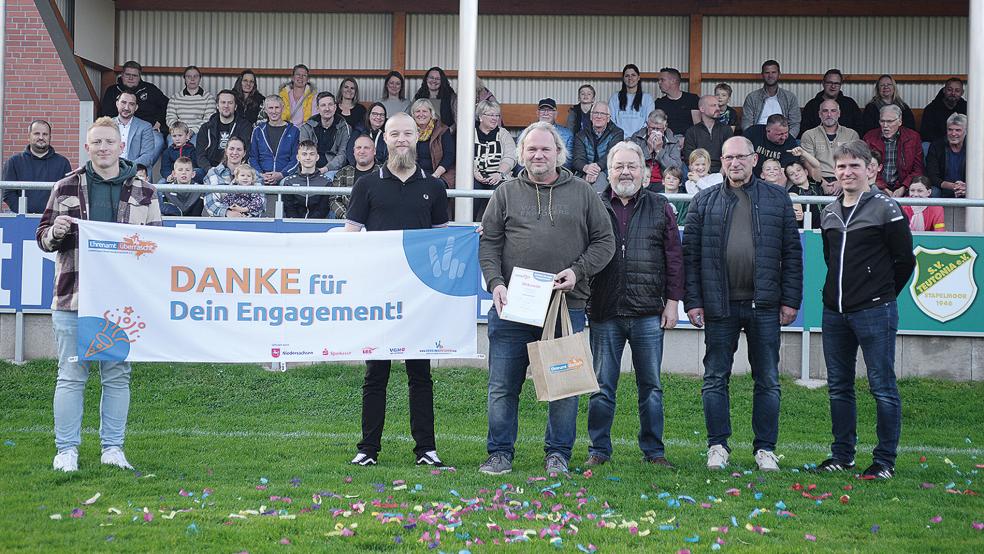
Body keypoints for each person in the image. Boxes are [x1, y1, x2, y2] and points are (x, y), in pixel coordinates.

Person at [478, 121, 615, 475]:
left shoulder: (584, 193)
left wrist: (578, 271)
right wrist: (495, 283)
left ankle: (558, 455)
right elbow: (490, 242)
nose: (538, 155)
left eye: (545, 149)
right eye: (531, 149)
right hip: (513, 307)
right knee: (502, 387)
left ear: (559, 153)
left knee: (563, 386)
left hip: (564, 308)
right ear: (521, 154)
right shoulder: (505, 192)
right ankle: (499, 454)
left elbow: (605, 242)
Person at [37, 116, 163, 473]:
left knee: (116, 375)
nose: (103, 148)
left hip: (121, 304)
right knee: (71, 375)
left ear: (121, 147)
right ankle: (66, 450)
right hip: (73, 297)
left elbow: (157, 246)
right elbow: (43, 238)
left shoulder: (145, 191)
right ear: (87, 147)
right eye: (97, 143)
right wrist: (55, 231)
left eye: (110, 142)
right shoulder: (65, 187)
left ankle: (112, 448)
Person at [683, 136, 803, 472]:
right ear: (721, 161)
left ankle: (765, 449)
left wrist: (790, 300)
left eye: (741, 157)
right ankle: (717, 446)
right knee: (715, 377)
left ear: (754, 160)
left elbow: (792, 254)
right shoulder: (703, 201)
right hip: (719, 306)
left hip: (764, 305)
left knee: (767, 379)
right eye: (728, 157)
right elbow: (690, 256)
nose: (735, 163)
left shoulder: (777, 198)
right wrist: (693, 301)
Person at [343, 112, 450, 467]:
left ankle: (426, 449)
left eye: (407, 133)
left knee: (421, 375)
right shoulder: (367, 185)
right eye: (394, 134)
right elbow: (350, 238)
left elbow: (442, 241)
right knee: (376, 374)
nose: (401, 139)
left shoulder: (434, 188)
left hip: (419, 297)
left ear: (417, 136)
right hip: (380, 296)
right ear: (383, 139)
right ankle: (368, 449)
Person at [816, 140, 915, 480]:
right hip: (835, 312)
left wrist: (881, 295)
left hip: (875, 311)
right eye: (841, 166)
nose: (847, 172)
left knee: (882, 386)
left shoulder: (886, 208)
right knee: (839, 386)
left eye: (854, 166)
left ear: (870, 170)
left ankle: (884, 460)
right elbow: (831, 261)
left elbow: (905, 261)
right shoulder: (827, 212)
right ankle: (842, 455)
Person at [585, 141, 684, 469]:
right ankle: (598, 449)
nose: (625, 171)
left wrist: (672, 303)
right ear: (608, 172)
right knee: (601, 386)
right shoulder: (594, 205)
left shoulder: (660, 206)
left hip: (647, 313)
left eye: (632, 166)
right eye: (619, 166)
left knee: (651, 387)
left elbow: (673, 257)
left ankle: (654, 451)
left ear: (644, 172)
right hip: (604, 311)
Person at [2, 119, 72, 214]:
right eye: (36, 134)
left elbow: (67, 194)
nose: (41, 137)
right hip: (22, 220)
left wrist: (51, 214)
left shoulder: (63, 163)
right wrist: (25, 213)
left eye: (45, 134)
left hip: (52, 221)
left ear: (50, 137)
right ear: (29, 136)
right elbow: (8, 194)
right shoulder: (14, 162)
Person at [100, 60, 169, 156]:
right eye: (128, 74)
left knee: (158, 142)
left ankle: (140, 169)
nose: (131, 78)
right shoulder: (112, 91)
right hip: (119, 129)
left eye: (135, 75)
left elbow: (167, 105)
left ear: (139, 77)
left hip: (147, 129)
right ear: (122, 75)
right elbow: (105, 114)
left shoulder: (150, 89)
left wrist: (160, 121)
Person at [249, 95, 300, 216]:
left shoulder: (294, 131)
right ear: (265, 110)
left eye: (277, 107)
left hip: (285, 177)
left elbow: (296, 159)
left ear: (283, 108)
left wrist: (281, 174)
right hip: (261, 177)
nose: (274, 111)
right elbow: (252, 157)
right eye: (270, 108)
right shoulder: (258, 130)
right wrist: (261, 175)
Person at [863, 104, 924, 197]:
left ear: (900, 121)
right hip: (876, 186)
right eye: (882, 121)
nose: (885, 125)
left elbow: (918, 169)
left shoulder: (913, 138)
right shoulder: (869, 137)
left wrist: (903, 187)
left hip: (906, 187)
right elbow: (866, 168)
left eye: (890, 121)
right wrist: (883, 188)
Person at [473, 99, 517, 220]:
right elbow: (462, 156)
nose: (495, 118)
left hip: (499, 177)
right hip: (474, 176)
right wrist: (474, 172)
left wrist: (499, 174)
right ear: (481, 117)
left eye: (497, 115)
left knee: (499, 194)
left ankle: (493, 231)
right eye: (491, 115)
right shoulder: (470, 133)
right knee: (470, 193)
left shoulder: (503, 134)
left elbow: (511, 156)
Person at [800, 99, 860, 186]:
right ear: (819, 114)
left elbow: (855, 162)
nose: (829, 114)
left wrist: (841, 183)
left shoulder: (851, 134)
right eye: (825, 111)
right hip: (817, 180)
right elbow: (808, 163)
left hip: (845, 179)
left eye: (833, 111)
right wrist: (822, 183)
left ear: (839, 114)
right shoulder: (809, 135)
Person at [203, 136, 262, 217]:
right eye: (231, 149)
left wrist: (245, 215)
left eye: (239, 149)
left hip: (248, 221)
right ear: (226, 151)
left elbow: (261, 201)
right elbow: (211, 202)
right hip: (220, 221)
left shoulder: (255, 174)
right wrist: (228, 213)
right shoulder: (214, 172)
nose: (235, 152)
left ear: (244, 153)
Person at [572, 102, 623, 193]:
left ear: (608, 118)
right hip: (585, 172)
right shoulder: (581, 135)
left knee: (599, 186)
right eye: (596, 113)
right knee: (579, 191)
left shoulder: (617, 133)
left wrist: (596, 168)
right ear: (591, 117)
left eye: (603, 113)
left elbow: (612, 155)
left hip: (607, 171)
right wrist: (587, 168)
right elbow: (577, 160)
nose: (599, 116)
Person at [741, 60, 801, 136]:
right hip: (758, 136)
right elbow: (746, 123)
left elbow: (795, 123)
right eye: (767, 73)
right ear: (762, 75)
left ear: (779, 74)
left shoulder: (789, 97)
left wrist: (787, 139)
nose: (770, 75)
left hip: (782, 137)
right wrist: (754, 138)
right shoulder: (752, 97)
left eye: (773, 72)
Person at [196, 90, 252, 171]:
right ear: (217, 106)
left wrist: (234, 171)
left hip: (235, 170)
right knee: (196, 173)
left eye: (230, 103)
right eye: (223, 102)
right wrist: (210, 170)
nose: (226, 106)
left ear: (235, 107)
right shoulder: (206, 128)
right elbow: (200, 156)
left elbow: (246, 152)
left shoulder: (244, 126)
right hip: (210, 169)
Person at [299, 92, 352, 175]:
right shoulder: (307, 127)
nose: (327, 108)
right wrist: (313, 170)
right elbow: (305, 152)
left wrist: (325, 169)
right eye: (323, 105)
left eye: (330, 105)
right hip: (309, 168)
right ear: (317, 108)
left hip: (333, 170)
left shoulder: (344, 127)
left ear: (335, 107)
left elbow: (343, 155)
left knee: (329, 178)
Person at [799, 69, 862, 137]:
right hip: (817, 144)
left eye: (836, 83)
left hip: (846, 144)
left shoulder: (850, 104)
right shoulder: (811, 105)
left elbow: (859, 128)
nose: (833, 86)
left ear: (841, 85)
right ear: (823, 83)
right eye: (829, 83)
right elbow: (805, 130)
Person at [629, 109, 683, 187]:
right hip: (641, 180)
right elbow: (632, 162)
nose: (655, 131)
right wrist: (648, 150)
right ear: (647, 125)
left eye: (658, 129)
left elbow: (676, 167)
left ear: (665, 127)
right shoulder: (637, 137)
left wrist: (659, 151)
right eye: (652, 128)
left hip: (663, 182)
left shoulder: (673, 141)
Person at [281, 140, 333, 219]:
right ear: (298, 157)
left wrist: (309, 224)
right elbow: (289, 209)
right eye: (304, 154)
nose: (308, 158)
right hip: (294, 225)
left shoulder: (326, 182)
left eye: (312, 154)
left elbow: (323, 209)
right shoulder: (289, 182)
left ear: (317, 157)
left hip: (318, 225)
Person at [334, 134, 382, 218]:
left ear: (374, 151)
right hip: (347, 224)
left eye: (366, 148)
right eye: (358, 148)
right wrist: (348, 217)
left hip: (377, 224)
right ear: (354, 151)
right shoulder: (342, 173)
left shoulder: (383, 173)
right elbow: (334, 200)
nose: (362, 151)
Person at [410, 98, 455, 186]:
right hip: (414, 175)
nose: (421, 114)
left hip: (439, 174)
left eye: (425, 111)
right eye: (417, 111)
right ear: (413, 114)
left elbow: (449, 156)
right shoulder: (408, 131)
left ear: (431, 113)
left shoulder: (442, 130)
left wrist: (435, 176)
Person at [683, 95, 733, 173]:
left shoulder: (726, 129)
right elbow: (689, 159)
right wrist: (702, 177)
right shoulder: (692, 131)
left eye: (718, 105)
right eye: (713, 105)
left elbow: (730, 155)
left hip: (722, 173)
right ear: (702, 109)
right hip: (699, 172)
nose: (717, 108)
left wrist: (719, 176)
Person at [165, 65, 215, 136]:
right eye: (189, 76)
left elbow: (209, 119)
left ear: (200, 78)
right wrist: (180, 131)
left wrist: (193, 131)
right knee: (171, 144)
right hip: (178, 133)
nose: (192, 79)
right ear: (184, 79)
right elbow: (170, 117)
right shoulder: (175, 98)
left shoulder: (208, 98)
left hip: (199, 133)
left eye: (195, 76)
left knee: (195, 145)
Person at [925, 113, 967, 198]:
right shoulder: (937, 146)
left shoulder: (974, 148)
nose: (953, 133)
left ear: (966, 131)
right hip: (943, 187)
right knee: (933, 192)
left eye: (958, 130)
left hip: (967, 187)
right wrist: (953, 186)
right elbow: (932, 176)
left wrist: (967, 188)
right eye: (950, 129)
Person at [113, 91, 156, 171]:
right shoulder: (107, 125)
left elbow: (148, 156)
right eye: (123, 102)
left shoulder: (145, 127)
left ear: (136, 107)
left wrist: (127, 168)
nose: (126, 108)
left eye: (131, 104)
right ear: (117, 104)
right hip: (111, 172)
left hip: (135, 173)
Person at [608, 64, 655, 137]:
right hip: (619, 139)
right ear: (623, 78)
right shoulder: (615, 98)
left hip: (640, 140)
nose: (630, 78)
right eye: (627, 76)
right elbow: (611, 121)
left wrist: (636, 137)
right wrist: (622, 136)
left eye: (633, 75)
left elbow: (649, 122)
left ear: (638, 78)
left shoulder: (647, 98)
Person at [653, 67, 700, 136]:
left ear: (673, 81)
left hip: (689, 141)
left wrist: (688, 140)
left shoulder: (692, 99)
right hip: (667, 142)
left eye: (662, 80)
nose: (659, 82)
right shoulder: (659, 103)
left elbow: (697, 126)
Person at [920, 78, 966, 145]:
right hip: (938, 144)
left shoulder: (967, 108)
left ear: (962, 93)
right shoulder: (931, 109)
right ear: (944, 90)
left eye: (957, 91)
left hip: (961, 144)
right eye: (949, 90)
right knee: (925, 145)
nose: (953, 93)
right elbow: (926, 134)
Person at [344, 102, 388, 167]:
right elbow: (350, 152)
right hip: (360, 168)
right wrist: (358, 167)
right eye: (375, 114)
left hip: (381, 170)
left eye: (382, 115)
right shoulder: (359, 130)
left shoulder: (388, 133)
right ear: (369, 115)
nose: (378, 117)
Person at [784, 160, 823, 228]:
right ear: (789, 179)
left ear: (806, 172)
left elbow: (817, 165)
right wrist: (797, 213)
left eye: (798, 170)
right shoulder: (792, 191)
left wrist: (802, 153)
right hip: (810, 231)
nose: (796, 174)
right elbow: (798, 214)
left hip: (826, 227)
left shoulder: (815, 184)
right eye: (791, 174)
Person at [535, 98, 574, 167]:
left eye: (549, 110)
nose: (546, 113)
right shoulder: (526, 133)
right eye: (543, 110)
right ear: (538, 113)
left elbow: (568, 162)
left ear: (555, 114)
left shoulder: (567, 135)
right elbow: (521, 158)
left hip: (558, 173)